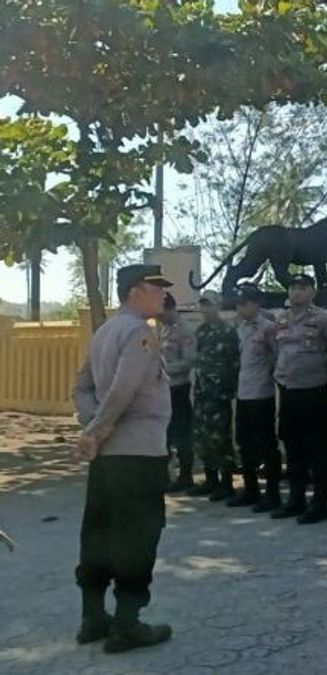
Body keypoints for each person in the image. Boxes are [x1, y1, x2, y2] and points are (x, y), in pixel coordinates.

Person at [72, 264, 174, 653]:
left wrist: (92, 427)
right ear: (135, 291)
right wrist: (95, 431)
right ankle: (127, 625)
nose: (163, 294)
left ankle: (93, 617)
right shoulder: (138, 333)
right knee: (137, 536)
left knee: (98, 532)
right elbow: (123, 391)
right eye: (157, 287)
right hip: (138, 454)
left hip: (108, 456)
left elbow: (81, 387)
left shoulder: (104, 332)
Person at [272, 273, 327, 525]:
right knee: (292, 447)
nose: (296, 292)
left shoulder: (323, 318)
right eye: (292, 287)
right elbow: (276, 351)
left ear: (312, 291)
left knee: (318, 449)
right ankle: (296, 499)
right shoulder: (281, 319)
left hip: (313, 392)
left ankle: (319, 502)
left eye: (302, 288)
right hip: (288, 391)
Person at [228, 284, 281, 511]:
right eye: (238, 303)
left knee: (267, 445)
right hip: (244, 392)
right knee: (245, 443)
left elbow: (278, 357)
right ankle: (251, 490)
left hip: (262, 393)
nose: (241, 307)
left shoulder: (268, 328)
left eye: (245, 303)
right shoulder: (240, 327)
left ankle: (272, 494)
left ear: (256, 304)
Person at [188, 290, 240, 502]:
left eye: (208, 304)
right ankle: (210, 480)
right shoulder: (201, 331)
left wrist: (228, 389)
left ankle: (226, 483)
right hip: (201, 391)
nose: (205, 309)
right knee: (202, 437)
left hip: (219, 394)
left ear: (217, 306)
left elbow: (235, 362)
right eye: (202, 305)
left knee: (221, 439)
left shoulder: (227, 331)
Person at [160, 293, 197, 492]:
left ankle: (185, 476)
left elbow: (189, 361)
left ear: (169, 308)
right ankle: (164, 476)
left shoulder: (185, 329)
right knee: (163, 435)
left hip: (178, 389)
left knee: (182, 435)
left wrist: (163, 369)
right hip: (163, 390)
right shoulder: (163, 329)